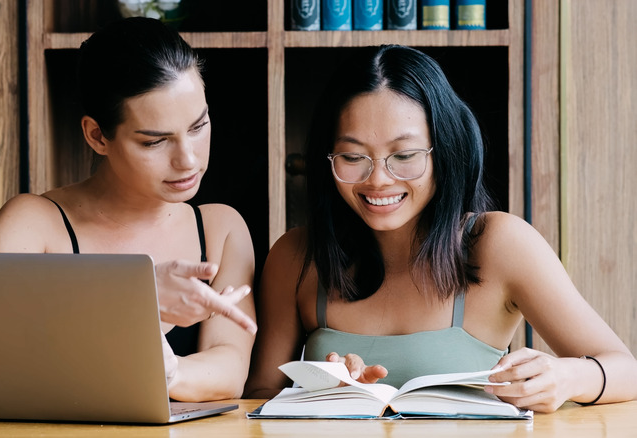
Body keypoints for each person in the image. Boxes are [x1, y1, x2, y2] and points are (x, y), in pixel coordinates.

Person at [244, 44, 637, 412]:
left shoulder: (498, 243)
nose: (378, 179)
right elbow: (258, 396)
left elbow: (626, 370)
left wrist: (567, 377)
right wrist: (322, 393)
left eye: (405, 155)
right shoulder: (296, 255)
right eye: (352, 156)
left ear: (443, 151)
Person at [0, 17, 256, 402]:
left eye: (198, 126)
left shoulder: (221, 229)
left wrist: (170, 370)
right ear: (97, 136)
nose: (188, 160)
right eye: (155, 142)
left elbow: (229, 369)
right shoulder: (32, 226)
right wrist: (138, 299)